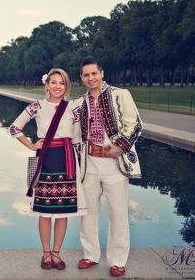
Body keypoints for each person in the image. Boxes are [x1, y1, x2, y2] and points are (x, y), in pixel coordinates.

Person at [71, 57, 143, 277]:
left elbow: (135, 124)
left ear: (102, 73)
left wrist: (120, 146)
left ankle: (118, 261)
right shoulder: (78, 103)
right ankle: (90, 255)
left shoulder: (121, 95)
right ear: (81, 78)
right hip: (89, 165)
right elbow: (70, 132)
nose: (91, 78)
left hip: (115, 164)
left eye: (94, 73)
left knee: (118, 213)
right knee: (88, 213)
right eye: (86, 75)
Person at [10, 68, 87, 270]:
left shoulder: (73, 109)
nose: (57, 86)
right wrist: (32, 145)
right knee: (44, 212)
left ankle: (57, 254)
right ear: (47, 85)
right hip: (45, 159)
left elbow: (78, 139)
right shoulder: (37, 106)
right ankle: (46, 255)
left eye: (61, 83)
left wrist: (80, 164)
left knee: (62, 212)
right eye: (53, 82)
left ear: (66, 86)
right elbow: (14, 128)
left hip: (67, 161)